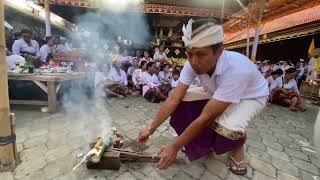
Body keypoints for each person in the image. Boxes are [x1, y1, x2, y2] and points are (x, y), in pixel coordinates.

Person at [138, 18, 269, 175]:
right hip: (218, 92)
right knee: (179, 98)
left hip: (251, 97)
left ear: (219, 52)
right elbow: (174, 99)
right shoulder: (192, 62)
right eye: (189, 54)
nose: (194, 61)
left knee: (226, 126)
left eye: (200, 54)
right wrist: (151, 129)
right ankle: (201, 144)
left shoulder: (237, 69)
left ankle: (238, 151)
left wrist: (174, 146)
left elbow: (207, 116)